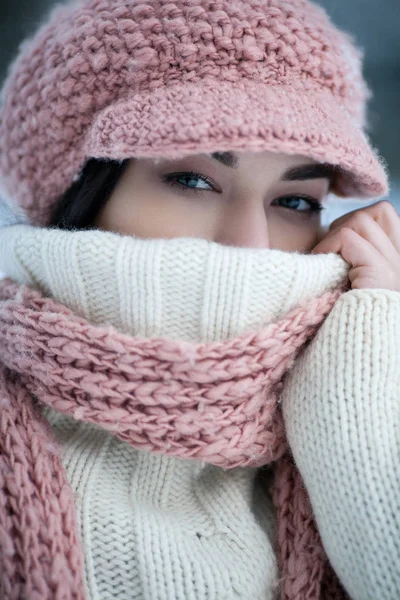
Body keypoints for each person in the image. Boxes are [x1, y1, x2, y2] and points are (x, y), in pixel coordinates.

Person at [0, 1, 399, 599]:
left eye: (294, 201)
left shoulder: (352, 391)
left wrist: (363, 362)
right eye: (192, 180)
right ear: (77, 193)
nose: (251, 245)